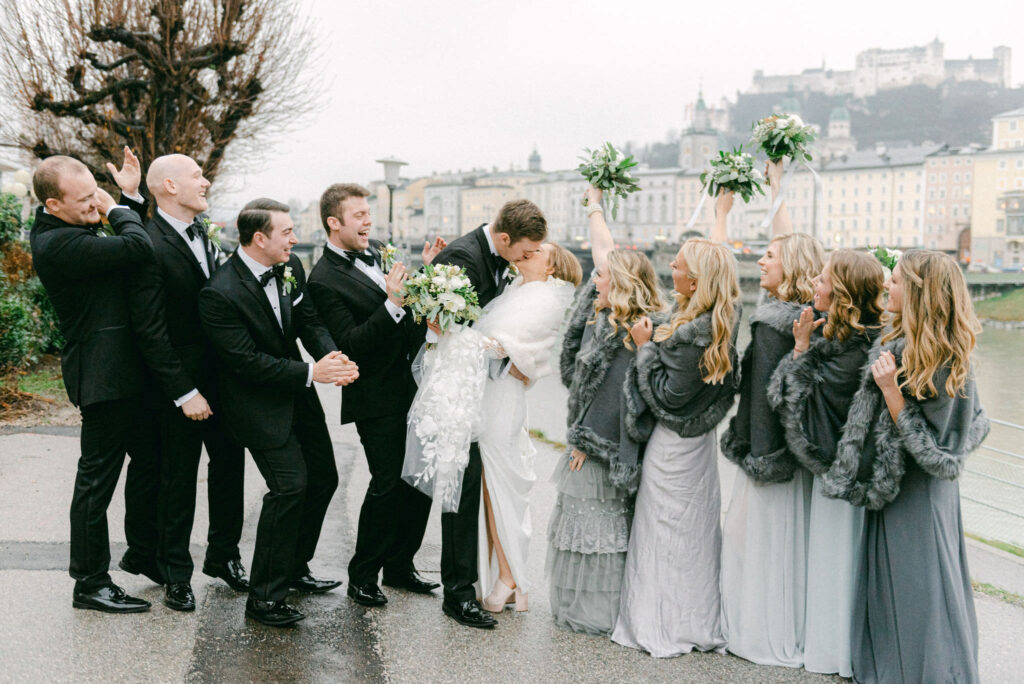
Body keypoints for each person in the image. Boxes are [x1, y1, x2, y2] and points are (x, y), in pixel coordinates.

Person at [821, 250, 988, 683]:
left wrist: (891, 392)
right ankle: (890, 667)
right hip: (891, 485)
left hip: (921, 493)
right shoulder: (900, 345)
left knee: (923, 586)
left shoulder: (947, 358)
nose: (886, 286)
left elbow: (941, 455)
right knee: (890, 581)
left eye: (895, 281)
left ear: (918, 291)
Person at [198, 198, 359, 627]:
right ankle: (264, 598)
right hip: (253, 403)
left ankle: (292, 567)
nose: (295, 238)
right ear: (259, 238)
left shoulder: (291, 269)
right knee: (290, 487)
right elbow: (245, 362)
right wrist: (312, 371)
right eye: (286, 232)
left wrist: (332, 357)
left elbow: (309, 321)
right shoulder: (219, 293)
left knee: (323, 477)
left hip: (297, 395)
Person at [29, 151, 161, 613]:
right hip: (103, 374)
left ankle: (144, 552)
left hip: (126, 369)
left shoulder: (71, 226)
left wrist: (127, 194)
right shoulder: (58, 244)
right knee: (96, 480)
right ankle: (89, 581)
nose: (93, 205)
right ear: (52, 206)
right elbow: (137, 247)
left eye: (94, 194)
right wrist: (118, 206)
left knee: (151, 462)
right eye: (84, 200)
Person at [307, 183, 446, 608]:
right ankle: (363, 574)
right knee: (387, 483)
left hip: (415, 388)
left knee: (419, 480)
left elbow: (409, 316)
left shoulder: (383, 249)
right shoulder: (323, 279)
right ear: (334, 222)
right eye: (359, 216)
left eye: (369, 213)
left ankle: (401, 566)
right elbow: (351, 343)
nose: (370, 222)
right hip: (376, 395)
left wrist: (424, 277)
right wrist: (391, 303)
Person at [127, 154, 249, 612]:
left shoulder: (204, 235)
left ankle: (224, 556)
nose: (207, 180)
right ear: (169, 186)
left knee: (229, 470)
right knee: (178, 478)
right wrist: (184, 391)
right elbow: (150, 330)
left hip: (223, 381)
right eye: (198, 175)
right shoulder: (149, 243)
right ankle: (176, 572)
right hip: (175, 388)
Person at [611, 238, 740, 657]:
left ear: (697, 279)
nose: (671, 269)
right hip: (698, 443)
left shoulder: (694, 336)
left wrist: (645, 349)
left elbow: (667, 398)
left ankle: (661, 622)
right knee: (693, 531)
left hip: (673, 447)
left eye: (679, 265)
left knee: (665, 531)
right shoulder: (712, 322)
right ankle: (687, 613)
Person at [546, 186, 666, 636]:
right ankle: (581, 607)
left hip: (600, 447)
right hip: (586, 436)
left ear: (619, 283)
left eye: (602, 277)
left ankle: (596, 613)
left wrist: (584, 443)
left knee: (595, 532)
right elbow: (575, 374)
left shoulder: (628, 331)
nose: (594, 280)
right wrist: (594, 204)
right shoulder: (603, 319)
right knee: (579, 528)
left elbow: (616, 394)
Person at [426, 199, 547, 629]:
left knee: (465, 485)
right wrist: (500, 355)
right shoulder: (463, 258)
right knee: (459, 486)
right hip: (456, 392)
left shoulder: (495, 259)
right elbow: (450, 335)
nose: (526, 259)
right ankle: (457, 595)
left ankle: (451, 582)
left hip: (479, 392)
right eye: (524, 251)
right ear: (502, 238)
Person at [766, 249, 886, 676]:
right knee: (836, 559)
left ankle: (832, 652)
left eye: (822, 279)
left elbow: (793, 403)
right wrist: (803, 346)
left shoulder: (851, 351)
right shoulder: (853, 339)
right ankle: (834, 648)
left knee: (834, 559)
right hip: (842, 471)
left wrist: (800, 351)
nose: (814, 284)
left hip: (838, 470)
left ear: (843, 292)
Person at [719, 221, 825, 666]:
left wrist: (759, 455)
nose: (760, 261)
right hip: (797, 453)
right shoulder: (808, 318)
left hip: (767, 452)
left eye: (769, 256)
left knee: (751, 542)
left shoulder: (771, 325)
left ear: (792, 266)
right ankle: (777, 627)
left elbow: (763, 398)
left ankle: (756, 630)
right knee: (784, 544)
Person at [472, 243, 582, 612]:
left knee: (502, 483)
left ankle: (510, 577)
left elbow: (511, 347)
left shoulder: (548, 297)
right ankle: (503, 575)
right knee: (490, 484)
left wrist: (463, 340)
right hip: (489, 390)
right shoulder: (515, 290)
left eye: (537, 252)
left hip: (504, 394)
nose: (526, 253)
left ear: (551, 267)